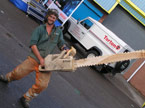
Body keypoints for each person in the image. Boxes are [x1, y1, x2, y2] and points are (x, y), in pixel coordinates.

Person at [0, 8, 69, 108]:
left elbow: (61, 43)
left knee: (43, 85)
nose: (52, 18)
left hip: (47, 63)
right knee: (18, 73)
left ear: (56, 19)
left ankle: (26, 98)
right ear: (47, 17)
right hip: (35, 58)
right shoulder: (39, 29)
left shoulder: (58, 32)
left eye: (54, 17)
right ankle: (7, 78)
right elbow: (33, 45)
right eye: (50, 16)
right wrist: (40, 59)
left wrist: (65, 49)